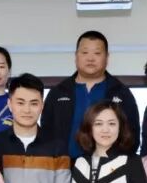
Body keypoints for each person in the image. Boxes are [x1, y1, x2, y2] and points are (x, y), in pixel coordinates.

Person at [41, 30, 140, 159]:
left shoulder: (122, 93)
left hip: (109, 166)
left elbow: (132, 136)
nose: (90, 58)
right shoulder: (58, 92)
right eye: (85, 52)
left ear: (107, 57)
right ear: (76, 56)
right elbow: (46, 132)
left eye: (97, 53)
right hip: (64, 166)